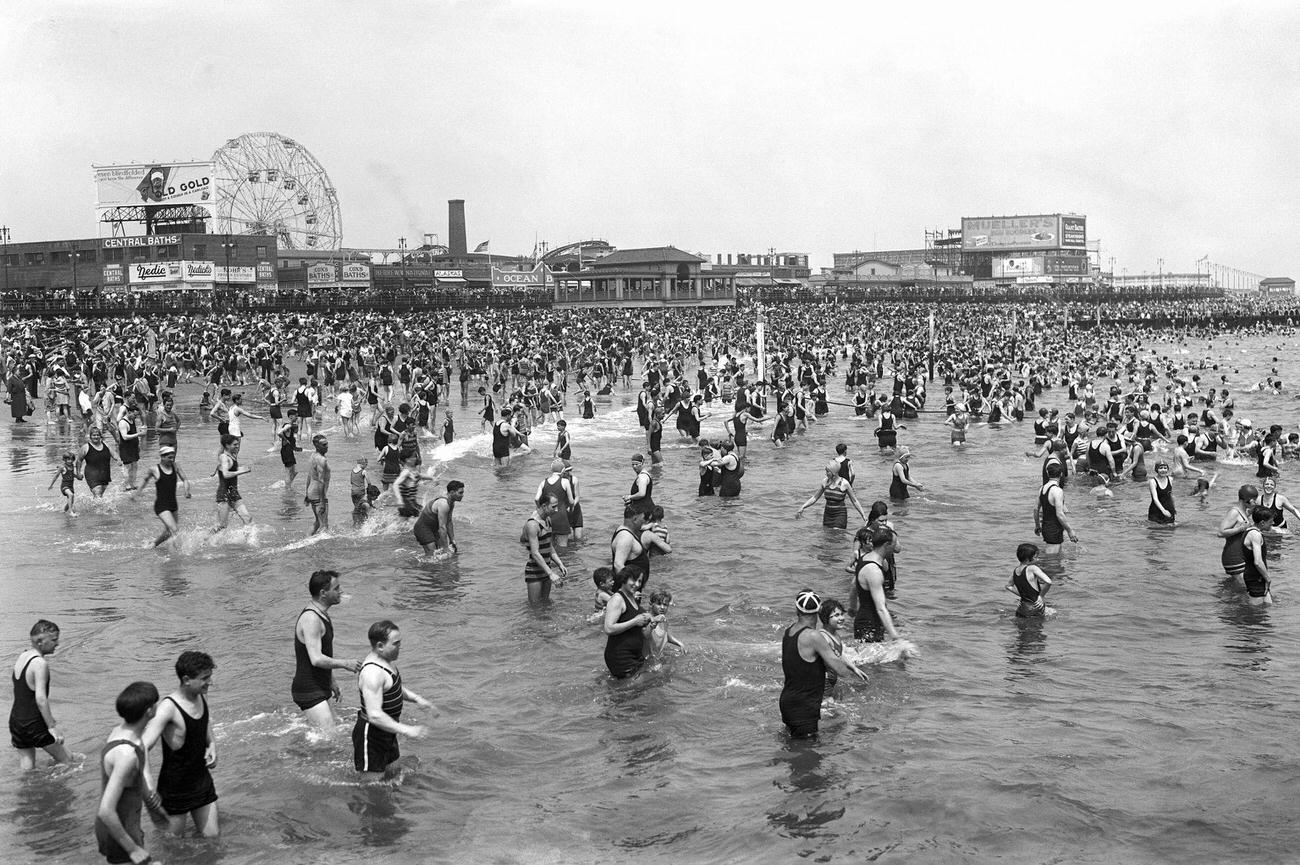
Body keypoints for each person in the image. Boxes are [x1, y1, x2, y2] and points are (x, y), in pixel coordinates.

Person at [143, 651, 219, 837]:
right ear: (186, 679)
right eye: (205, 678)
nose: (210, 682)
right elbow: (142, 746)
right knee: (174, 848)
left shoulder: (201, 695)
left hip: (202, 782)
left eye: (210, 676)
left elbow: (205, 723)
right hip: (174, 791)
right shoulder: (168, 708)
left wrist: (212, 745)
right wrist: (149, 785)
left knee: (213, 840)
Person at [780, 591, 867, 738]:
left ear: (797, 610)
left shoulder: (789, 632)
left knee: (791, 747)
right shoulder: (814, 636)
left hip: (788, 701)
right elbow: (841, 670)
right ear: (819, 611)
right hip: (804, 708)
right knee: (809, 755)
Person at [95, 681, 163, 865]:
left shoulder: (121, 731)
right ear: (149, 711)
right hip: (119, 830)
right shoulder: (126, 755)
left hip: (124, 824)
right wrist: (133, 850)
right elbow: (106, 810)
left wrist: (152, 802)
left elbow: (140, 755)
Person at [353, 620, 433, 775]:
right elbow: (374, 715)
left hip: (387, 729)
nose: (399, 647)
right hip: (372, 734)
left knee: (392, 773)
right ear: (380, 646)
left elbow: (393, 687)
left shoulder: (386, 662)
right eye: (396, 643)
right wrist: (407, 730)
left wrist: (417, 699)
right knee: (371, 785)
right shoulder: (372, 674)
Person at [291, 570, 363, 728]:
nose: (340, 592)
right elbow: (316, 658)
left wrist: (331, 680)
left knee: (332, 732)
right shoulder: (311, 619)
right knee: (328, 742)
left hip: (320, 686)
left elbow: (322, 652)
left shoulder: (321, 614)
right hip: (309, 690)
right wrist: (345, 663)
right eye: (336, 588)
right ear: (323, 593)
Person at [9, 619, 72, 770]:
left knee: (27, 767)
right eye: (54, 639)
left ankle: (28, 792)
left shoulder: (22, 656)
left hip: (16, 721)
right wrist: (52, 726)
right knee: (68, 761)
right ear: (40, 641)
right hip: (34, 723)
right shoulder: (39, 664)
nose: (57, 644)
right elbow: (41, 699)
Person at [847, 529, 902, 642]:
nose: (896, 547)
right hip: (869, 624)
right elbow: (881, 608)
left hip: (864, 620)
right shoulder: (874, 571)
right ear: (886, 545)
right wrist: (895, 637)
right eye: (894, 543)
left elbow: (853, 587)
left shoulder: (864, 559)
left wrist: (852, 608)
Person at [135, 446, 192, 547]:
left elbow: (185, 479)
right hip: (161, 506)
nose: (172, 460)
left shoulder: (176, 466)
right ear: (162, 457)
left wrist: (186, 491)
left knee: (169, 532)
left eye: (173, 457)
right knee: (174, 529)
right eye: (169, 457)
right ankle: (172, 558)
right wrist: (137, 493)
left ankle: (153, 544)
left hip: (173, 505)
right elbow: (145, 480)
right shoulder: (154, 469)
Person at [602, 567, 652, 679]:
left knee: (638, 690)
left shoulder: (631, 597)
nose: (637, 584)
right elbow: (608, 628)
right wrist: (635, 621)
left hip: (635, 655)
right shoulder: (617, 599)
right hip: (621, 656)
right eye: (633, 580)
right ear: (624, 579)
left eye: (640, 581)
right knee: (631, 690)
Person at [522, 494, 567, 604]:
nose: (556, 510)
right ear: (544, 505)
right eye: (553, 506)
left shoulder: (548, 520)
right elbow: (535, 553)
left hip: (546, 569)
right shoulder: (532, 524)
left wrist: (560, 564)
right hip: (535, 572)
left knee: (546, 604)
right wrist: (551, 574)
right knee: (535, 608)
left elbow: (549, 546)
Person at [796, 460, 867, 528]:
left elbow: (854, 501)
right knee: (827, 537)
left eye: (827, 471)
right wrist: (803, 507)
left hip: (840, 515)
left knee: (837, 537)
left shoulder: (844, 483)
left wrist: (863, 516)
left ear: (834, 472)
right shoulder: (825, 482)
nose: (825, 473)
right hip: (827, 515)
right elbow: (815, 497)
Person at [1034, 463, 1078, 554]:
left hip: (1046, 526)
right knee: (1051, 560)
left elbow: (1036, 510)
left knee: (1056, 558)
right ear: (1061, 474)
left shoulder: (1041, 489)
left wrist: (1037, 525)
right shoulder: (1057, 491)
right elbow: (1059, 514)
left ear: (1048, 473)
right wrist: (1070, 530)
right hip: (1054, 528)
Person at [1218, 484, 1258, 581]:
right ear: (1246, 499)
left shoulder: (1243, 511)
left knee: (1241, 590)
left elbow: (1242, 521)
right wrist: (1240, 529)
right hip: (1233, 557)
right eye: (1253, 500)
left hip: (1240, 555)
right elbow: (1220, 533)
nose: (1255, 502)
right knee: (1247, 589)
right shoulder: (1234, 512)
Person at [213, 434, 252, 531]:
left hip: (233, 493)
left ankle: (247, 543)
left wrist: (242, 468)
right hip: (224, 494)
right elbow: (226, 474)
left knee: (247, 518)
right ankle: (205, 540)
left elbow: (225, 468)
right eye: (235, 445)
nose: (237, 446)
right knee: (222, 525)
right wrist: (242, 471)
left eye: (238, 444)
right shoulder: (224, 457)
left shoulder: (231, 456)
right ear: (227, 445)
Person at [413, 480, 463, 554]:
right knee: (432, 556)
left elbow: (449, 522)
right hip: (423, 528)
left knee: (440, 554)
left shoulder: (451, 503)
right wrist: (445, 547)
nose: (462, 495)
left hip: (433, 529)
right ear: (452, 492)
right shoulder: (444, 504)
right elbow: (442, 528)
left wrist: (452, 540)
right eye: (460, 493)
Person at [535, 460, 575, 549]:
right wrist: (571, 509)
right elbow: (571, 501)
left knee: (549, 546)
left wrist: (540, 509)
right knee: (563, 547)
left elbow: (536, 498)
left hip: (548, 517)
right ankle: (563, 561)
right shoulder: (565, 482)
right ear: (562, 471)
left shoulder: (543, 482)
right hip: (561, 516)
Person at [1005, 543, 1053, 617]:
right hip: (1035, 608)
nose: (1038, 559)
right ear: (1028, 559)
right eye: (1036, 557)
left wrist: (1023, 595)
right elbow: (1048, 581)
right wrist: (1040, 596)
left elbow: (1008, 586)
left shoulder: (1015, 571)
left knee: (1022, 627)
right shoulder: (1032, 568)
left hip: (1021, 609)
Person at [1241, 506, 1275, 605]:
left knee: (1268, 606)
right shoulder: (1255, 535)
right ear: (1262, 523)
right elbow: (1258, 562)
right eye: (1270, 522)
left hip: (1258, 576)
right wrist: (1268, 579)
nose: (1272, 524)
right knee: (1255, 613)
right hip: (1255, 577)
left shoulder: (1249, 530)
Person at [78, 425, 120, 498]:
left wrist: (118, 460)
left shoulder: (106, 445)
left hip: (104, 474)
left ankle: (91, 507)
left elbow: (114, 454)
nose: (96, 437)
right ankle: (99, 509)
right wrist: (78, 473)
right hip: (91, 474)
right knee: (98, 493)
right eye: (94, 435)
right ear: (90, 436)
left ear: (100, 436)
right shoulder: (85, 447)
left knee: (100, 495)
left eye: (98, 435)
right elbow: (79, 460)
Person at [644, 587, 686, 659]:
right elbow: (645, 635)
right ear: (651, 604)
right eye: (659, 604)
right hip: (646, 659)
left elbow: (665, 634)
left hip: (657, 656)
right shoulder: (646, 618)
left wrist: (679, 644)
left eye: (665, 604)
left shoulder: (663, 620)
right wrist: (654, 621)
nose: (662, 607)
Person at [305, 434, 331, 535]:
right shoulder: (321, 460)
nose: (327, 446)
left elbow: (309, 476)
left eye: (327, 443)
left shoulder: (313, 456)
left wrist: (307, 494)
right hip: (318, 495)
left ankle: (306, 540)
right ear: (317, 446)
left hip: (312, 492)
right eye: (324, 444)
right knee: (324, 525)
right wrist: (322, 501)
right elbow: (321, 481)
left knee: (317, 522)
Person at [48, 450, 79, 515]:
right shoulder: (62, 467)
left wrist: (78, 477)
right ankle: (71, 512)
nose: (70, 461)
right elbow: (56, 476)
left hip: (71, 486)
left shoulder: (72, 466)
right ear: (64, 460)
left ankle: (64, 511)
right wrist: (51, 485)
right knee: (71, 495)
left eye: (71, 459)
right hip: (64, 486)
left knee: (71, 501)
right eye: (68, 459)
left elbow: (72, 474)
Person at [1147, 460, 1176, 524]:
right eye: (1161, 468)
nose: (1163, 470)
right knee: (1156, 531)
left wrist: (1173, 509)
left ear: (1168, 469)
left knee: (1170, 530)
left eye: (1165, 468)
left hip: (1169, 508)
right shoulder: (1153, 481)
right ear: (1156, 469)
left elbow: (1171, 495)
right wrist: (1163, 510)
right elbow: (1155, 499)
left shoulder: (1170, 479)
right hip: (1156, 510)